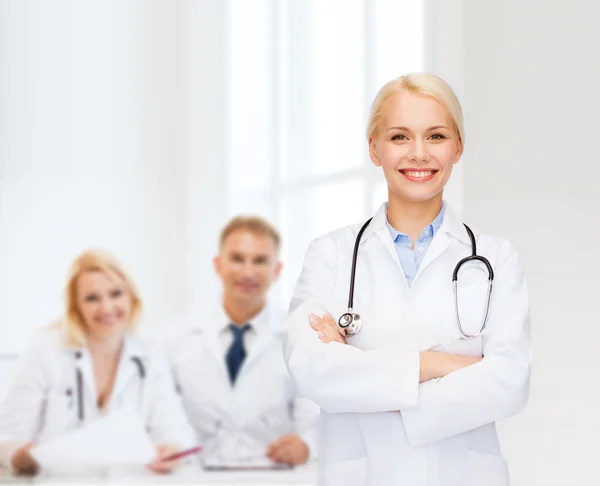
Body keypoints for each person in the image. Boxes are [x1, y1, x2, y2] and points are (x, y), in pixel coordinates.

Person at [282, 73, 532, 486]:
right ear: (374, 149)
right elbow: (311, 369)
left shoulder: (496, 258)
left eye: (435, 136)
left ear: (458, 148)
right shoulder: (331, 255)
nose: (419, 154)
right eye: (400, 137)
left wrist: (365, 377)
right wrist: (441, 365)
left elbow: (509, 382)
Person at [0, 249, 197, 476]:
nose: (107, 308)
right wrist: (21, 455)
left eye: (116, 294)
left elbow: (175, 428)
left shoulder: (150, 354)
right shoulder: (46, 350)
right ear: (76, 307)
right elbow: (7, 435)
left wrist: (171, 449)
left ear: (131, 298)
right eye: (92, 298)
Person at [167, 216, 319, 469]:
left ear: (277, 270)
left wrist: (306, 446)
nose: (248, 272)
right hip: (195, 478)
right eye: (237, 259)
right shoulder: (176, 339)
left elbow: (316, 420)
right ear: (218, 265)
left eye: (259, 261)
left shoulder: (300, 338)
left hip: (272, 478)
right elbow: (162, 417)